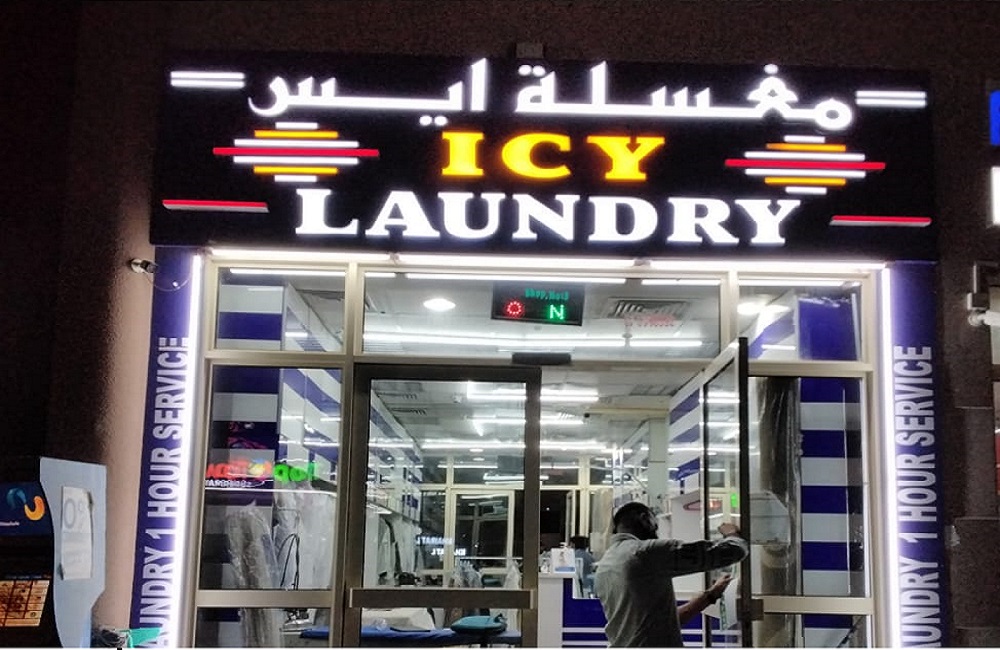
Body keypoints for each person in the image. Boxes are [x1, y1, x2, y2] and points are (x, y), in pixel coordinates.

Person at [593, 501, 749, 647]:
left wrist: (710, 596)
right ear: (645, 519)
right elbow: (732, 552)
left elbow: (661, 624)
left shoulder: (606, 564)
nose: (656, 532)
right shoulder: (646, 552)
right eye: (656, 525)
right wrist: (732, 535)